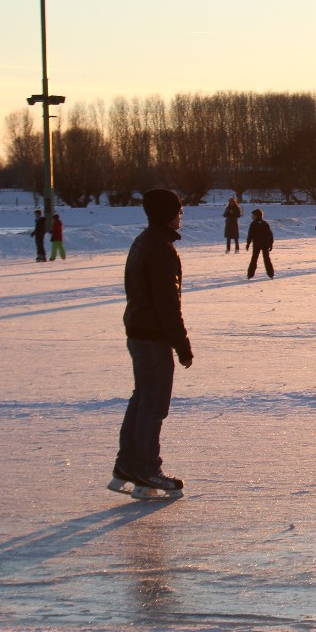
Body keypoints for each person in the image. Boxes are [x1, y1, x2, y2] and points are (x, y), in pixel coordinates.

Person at [110, 188, 192, 496]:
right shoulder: (161, 250)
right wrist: (182, 345)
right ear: (167, 214)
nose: (181, 215)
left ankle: (127, 464)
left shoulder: (144, 241)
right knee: (154, 402)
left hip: (139, 330)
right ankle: (146, 468)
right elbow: (167, 305)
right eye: (178, 210)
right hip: (152, 335)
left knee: (143, 398)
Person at [246, 208, 274, 279]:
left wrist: (248, 243)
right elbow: (270, 234)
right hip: (265, 243)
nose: (251, 216)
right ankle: (271, 273)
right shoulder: (265, 223)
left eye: (253, 215)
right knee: (266, 258)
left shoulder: (253, 224)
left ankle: (250, 274)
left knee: (254, 258)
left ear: (256, 216)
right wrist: (270, 243)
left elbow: (250, 234)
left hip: (257, 244)